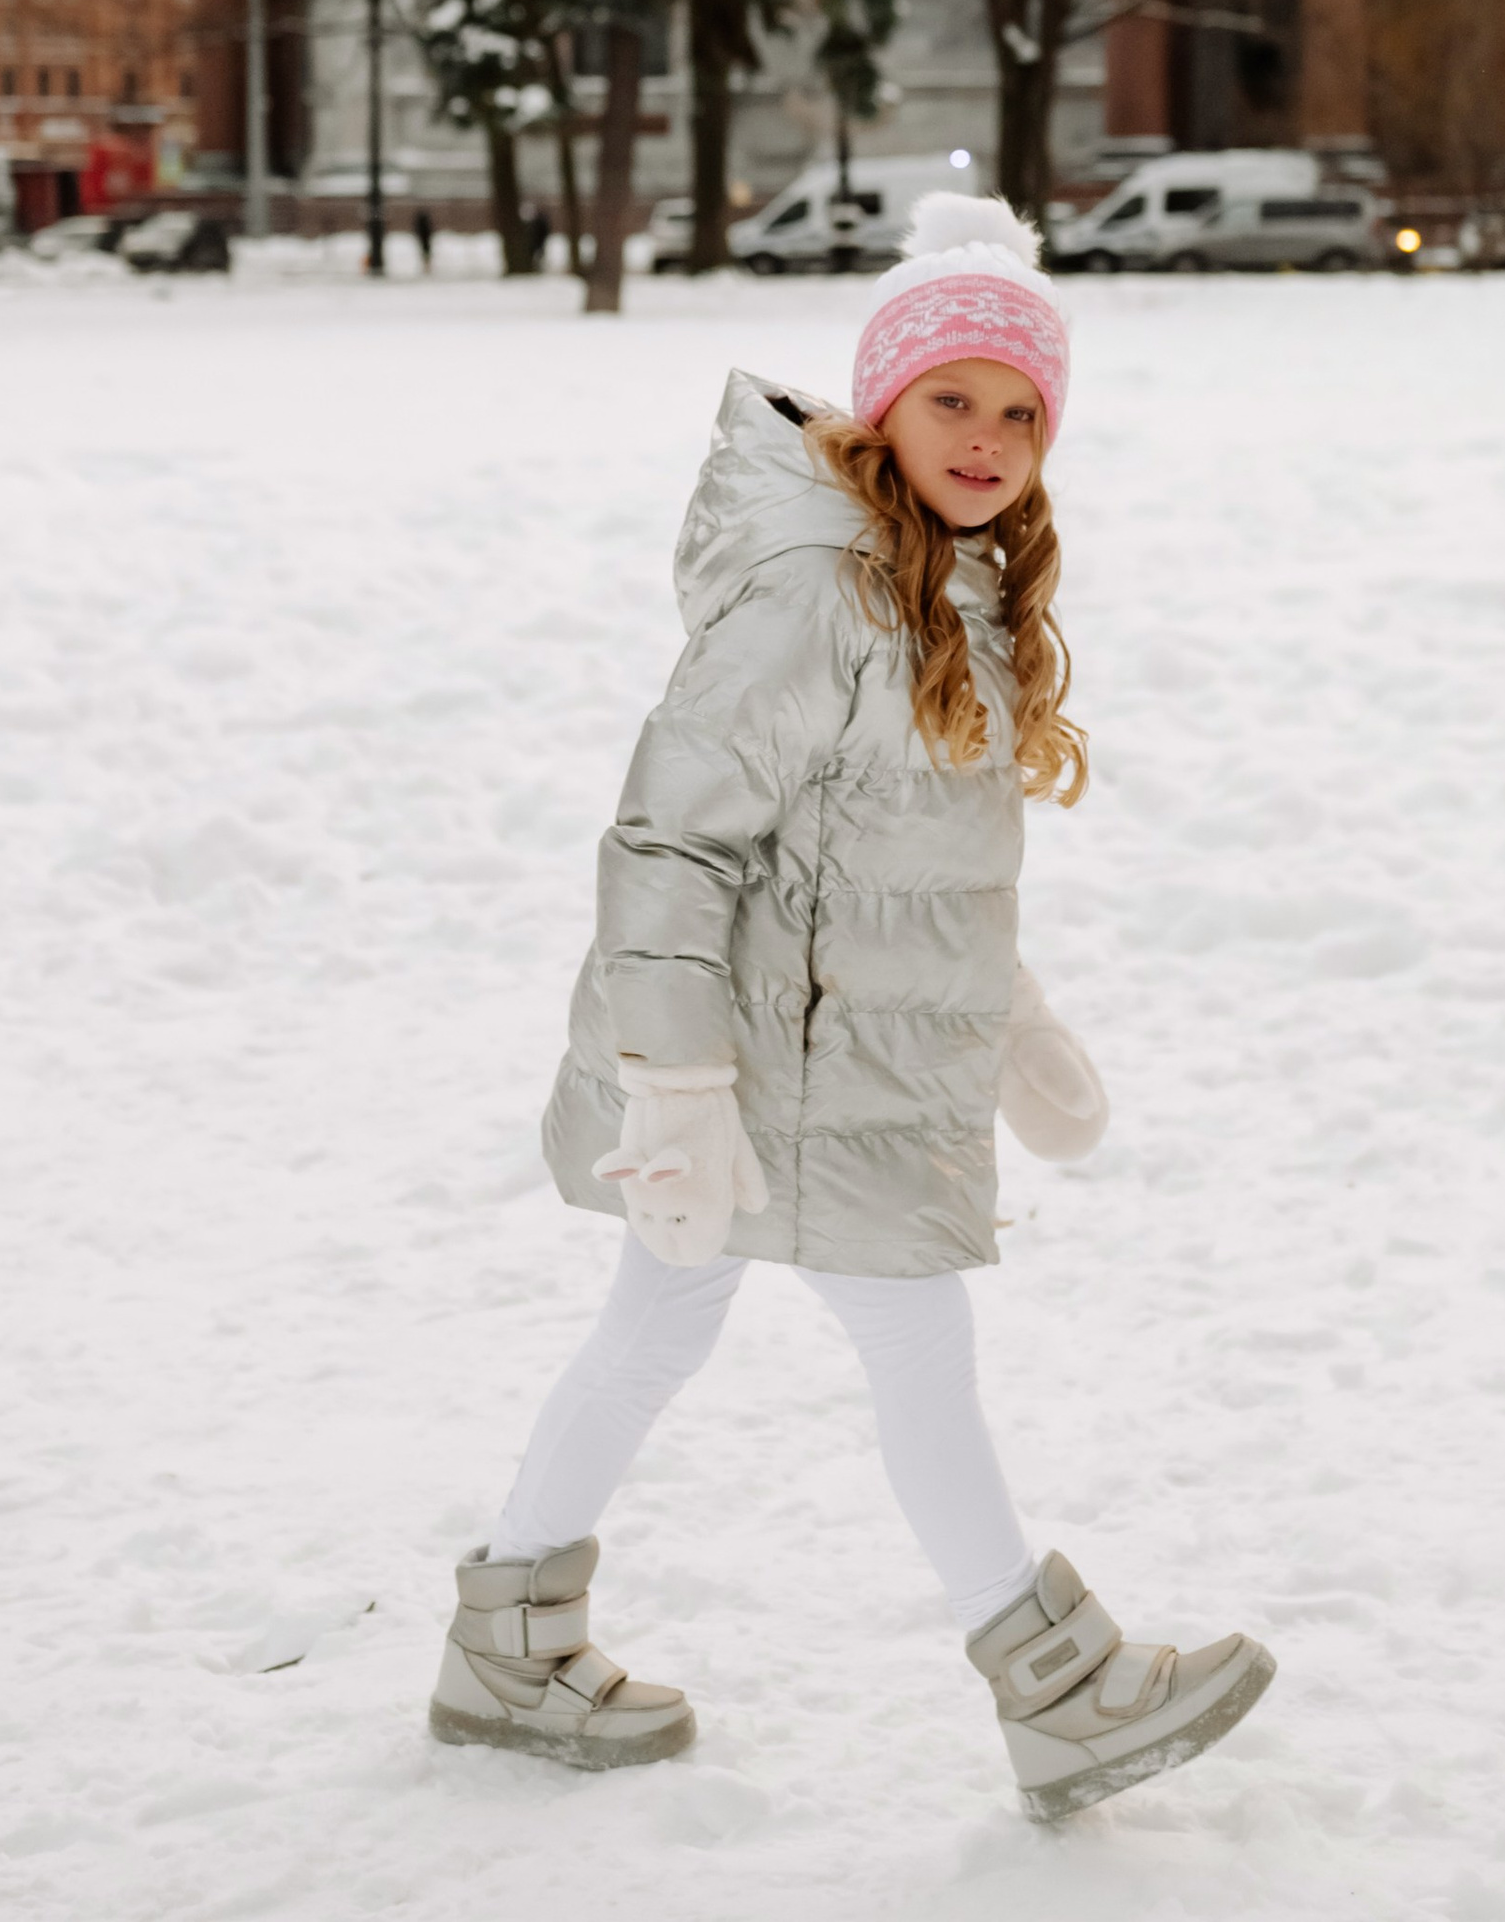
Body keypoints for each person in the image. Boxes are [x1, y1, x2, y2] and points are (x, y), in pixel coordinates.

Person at [432, 196, 1273, 1821]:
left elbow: (894, 863)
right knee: (915, 1347)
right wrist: (672, 1083)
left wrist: (1007, 1011)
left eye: (1021, 409)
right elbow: (671, 838)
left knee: (656, 1331)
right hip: (755, 1072)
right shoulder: (823, 591)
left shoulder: (947, 589)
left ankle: (509, 1639)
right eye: (953, 395)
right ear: (881, 402)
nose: (988, 436)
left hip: (825, 1060)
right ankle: (1064, 1690)